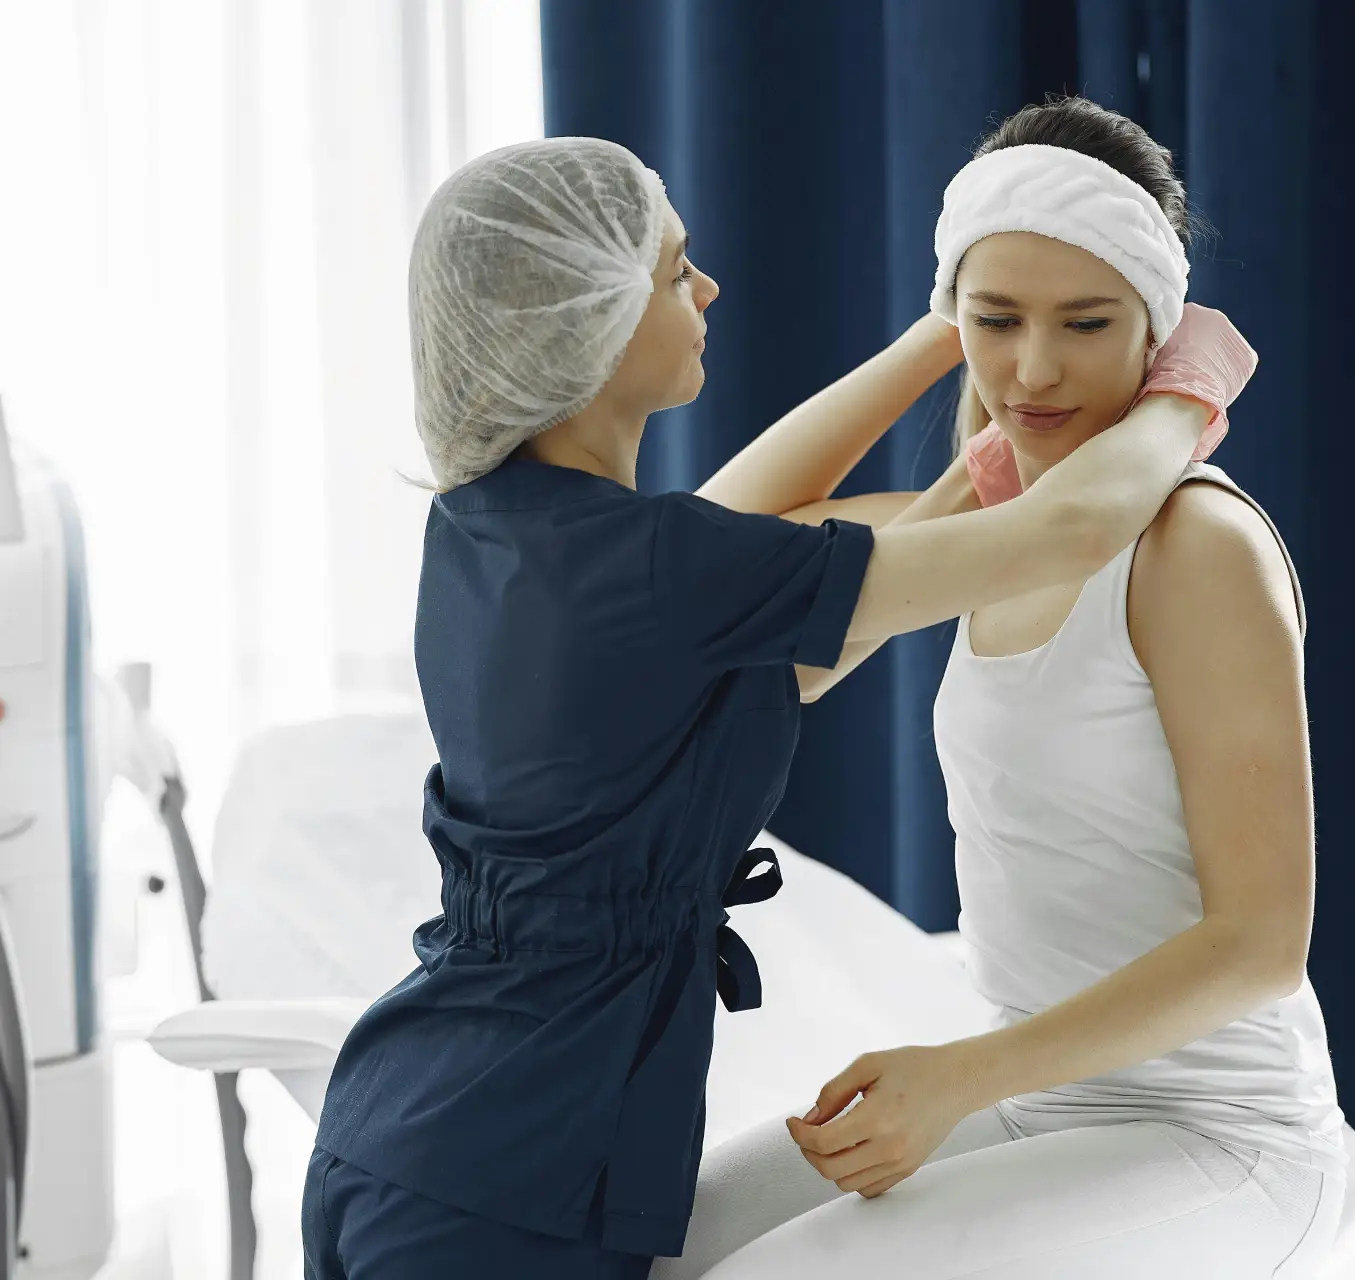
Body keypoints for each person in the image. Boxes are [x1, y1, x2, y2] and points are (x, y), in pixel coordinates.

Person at [299, 134, 1247, 1279]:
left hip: (410, 1134)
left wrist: (974, 326)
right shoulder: (660, 570)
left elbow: (821, 556)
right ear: (588, 316)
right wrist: (1189, 375)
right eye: (671, 270)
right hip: (508, 1180)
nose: (706, 288)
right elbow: (1065, 528)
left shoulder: (497, 534)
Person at [657, 99, 1345, 1280]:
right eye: (996, 318)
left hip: (1217, 1137)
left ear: (1157, 328)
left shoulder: (1194, 548)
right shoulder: (972, 532)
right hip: (1038, 1106)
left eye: (1085, 321)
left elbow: (1260, 942)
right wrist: (938, 332)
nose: (1032, 369)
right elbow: (704, 555)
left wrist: (957, 1073)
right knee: (649, 1251)